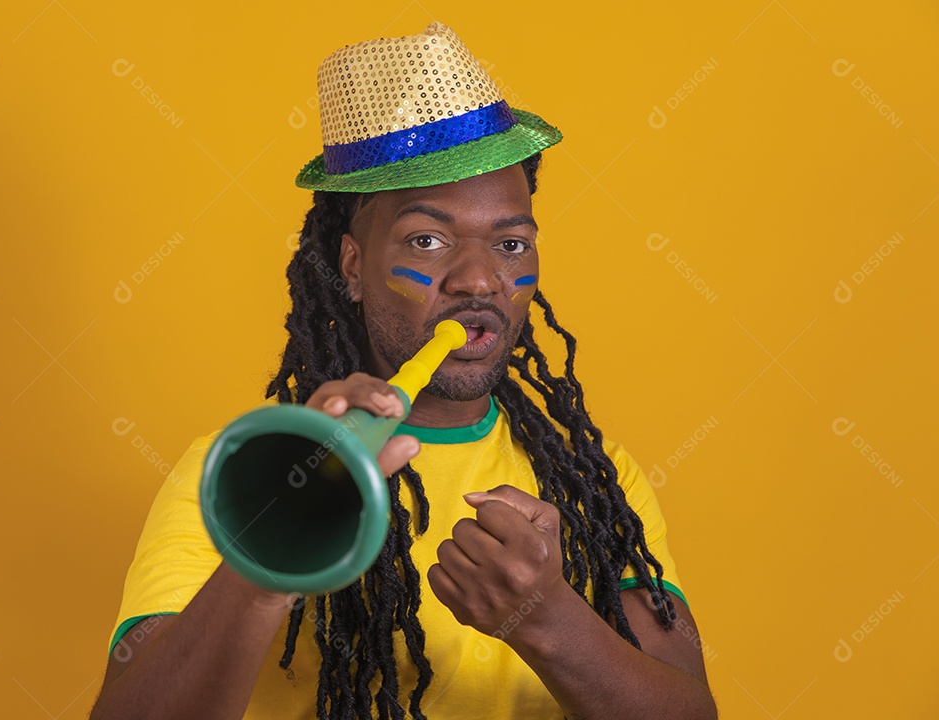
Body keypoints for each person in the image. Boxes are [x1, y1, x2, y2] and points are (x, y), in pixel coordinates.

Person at [90, 22, 717, 720]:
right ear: (353, 266)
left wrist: (548, 619)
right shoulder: (238, 474)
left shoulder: (600, 479)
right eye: (428, 239)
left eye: (511, 243)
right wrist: (269, 562)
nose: (479, 279)